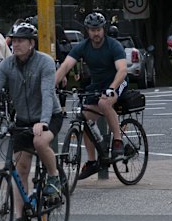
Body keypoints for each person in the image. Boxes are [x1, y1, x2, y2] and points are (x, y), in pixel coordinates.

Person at [0, 22, 63, 221]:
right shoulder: (7, 65)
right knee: (20, 168)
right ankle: (19, 218)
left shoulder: (45, 62)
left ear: (32, 43)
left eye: (21, 40)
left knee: (40, 142)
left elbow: (47, 93)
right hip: (23, 119)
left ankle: (54, 177)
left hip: (49, 116)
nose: (15, 44)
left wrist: (42, 122)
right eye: (13, 40)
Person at [55, 12, 128, 179]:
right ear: (87, 30)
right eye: (92, 30)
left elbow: (122, 69)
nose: (96, 33)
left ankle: (117, 141)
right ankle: (92, 160)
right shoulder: (83, 46)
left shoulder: (113, 45)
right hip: (97, 84)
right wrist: (50, 86)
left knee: (104, 103)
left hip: (117, 81)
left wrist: (112, 88)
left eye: (99, 29)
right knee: (85, 118)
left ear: (104, 29)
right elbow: (66, 65)